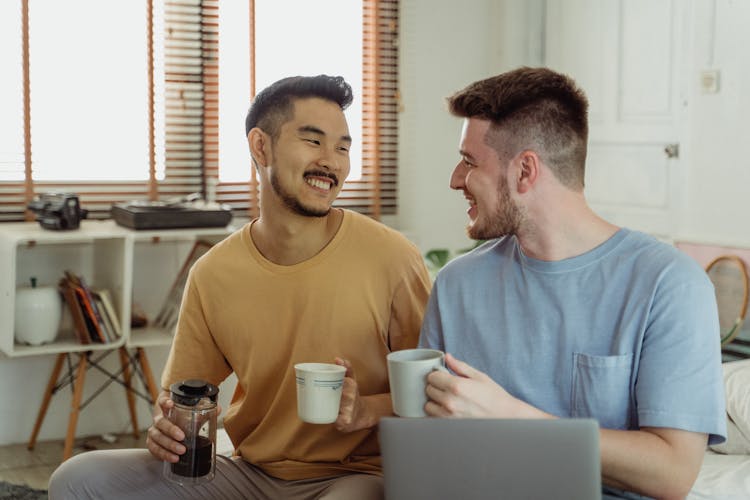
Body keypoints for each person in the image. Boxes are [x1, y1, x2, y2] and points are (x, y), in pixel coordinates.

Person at [49, 75, 431, 499]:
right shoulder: (214, 272)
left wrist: (365, 410)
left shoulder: (392, 257)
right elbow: (182, 398)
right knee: (78, 479)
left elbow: (435, 389)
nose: (332, 161)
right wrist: (166, 429)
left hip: (354, 477)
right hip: (250, 474)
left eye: (343, 147)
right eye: (314, 141)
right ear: (260, 145)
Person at [418, 67, 726, 500]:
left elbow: (673, 472)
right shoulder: (456, 286)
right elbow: (427, 437)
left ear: (525, 171)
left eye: (469, 162)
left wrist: (512, 418)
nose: (455, 179)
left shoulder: (669, 285)